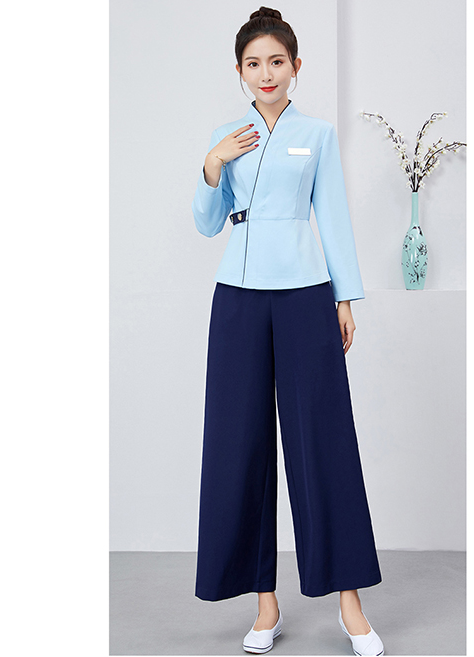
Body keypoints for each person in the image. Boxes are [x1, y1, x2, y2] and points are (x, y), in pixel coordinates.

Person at [191, 7, 384, 656]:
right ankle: (264, 604)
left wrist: (345, 296)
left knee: (324, 443)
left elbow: (332, 214)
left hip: (304, 294)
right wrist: (211, 163)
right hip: (238, 299)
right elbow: (206, 223)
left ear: (295, 66)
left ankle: (350, 606)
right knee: (238, 446)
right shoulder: (225, 136)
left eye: (276, 61)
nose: (265, 73)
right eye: (253, 63)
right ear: (239, 71)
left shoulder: (317, 135)